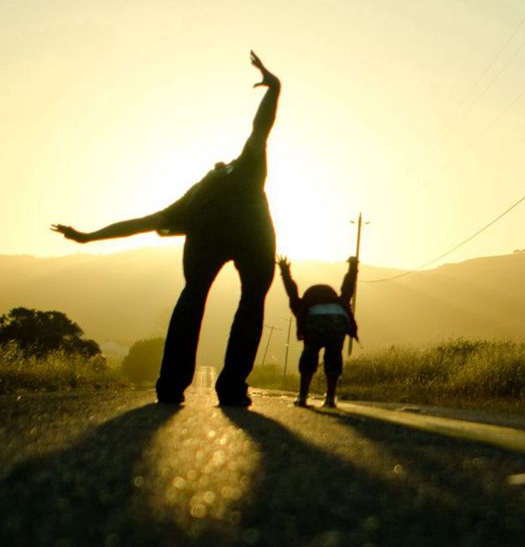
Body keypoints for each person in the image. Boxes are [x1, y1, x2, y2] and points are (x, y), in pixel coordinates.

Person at [51, 50, 281, 407]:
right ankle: (230, 386)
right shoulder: (243, 168)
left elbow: (142, 223)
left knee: (193, 298)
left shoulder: (196, 194)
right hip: (252, 229)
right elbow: (260, 127)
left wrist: (88, 236)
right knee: (250, 302)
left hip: (210, 229)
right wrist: (274, 87)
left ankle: (171, 385)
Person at [277, 255, 358, 408]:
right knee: (333, 355)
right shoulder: (338, 301)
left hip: (314, 321)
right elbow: (348, 287)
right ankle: (330, 399)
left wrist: (284, 270)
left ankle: (302, 397)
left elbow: (291, 291)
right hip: (338, 319)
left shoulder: (303, 304)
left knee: (310, 354)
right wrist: (353, 267)